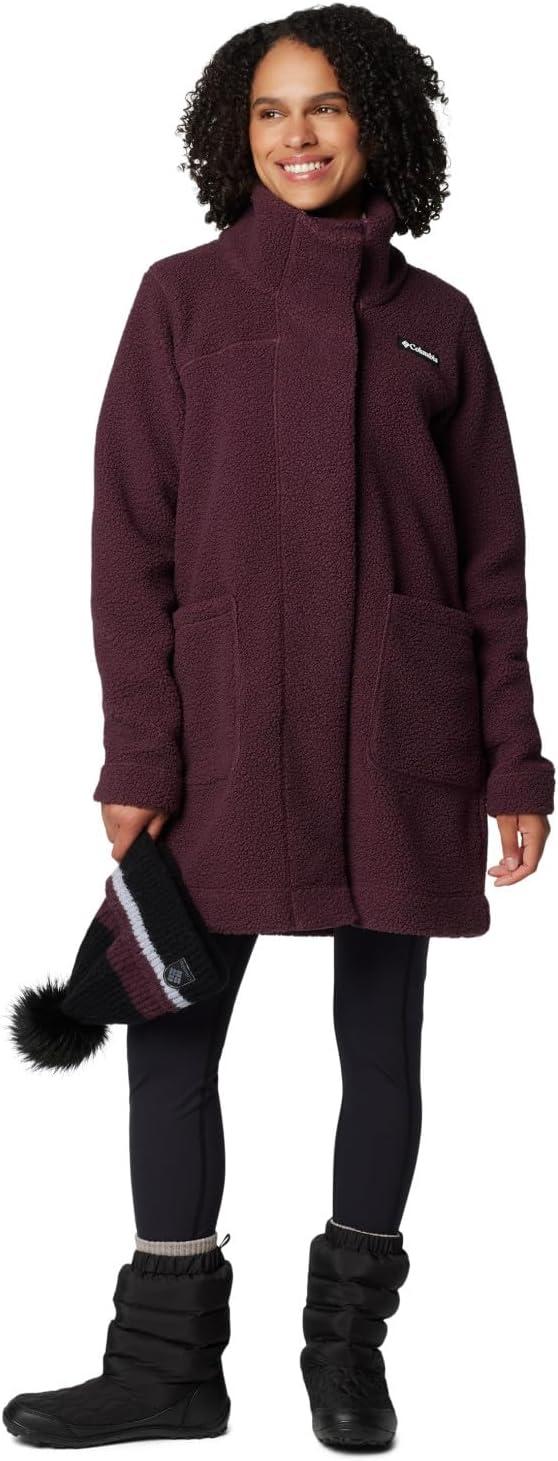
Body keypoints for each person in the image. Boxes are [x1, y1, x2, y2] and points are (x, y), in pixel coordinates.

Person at [3, 4, 554, 1452]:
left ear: (378, 121)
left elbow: (491, 561)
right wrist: (139, 752)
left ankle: (347, 1351)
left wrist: (514, 759)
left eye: (324, 106)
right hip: (227, 734)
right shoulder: (180, 300)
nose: (295, 135)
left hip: (398, 735)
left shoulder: (438, 321)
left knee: (382, 1047)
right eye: (267, 111)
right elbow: (129, 543)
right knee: (170, 1030)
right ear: (231, 134)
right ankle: (166, 1364)